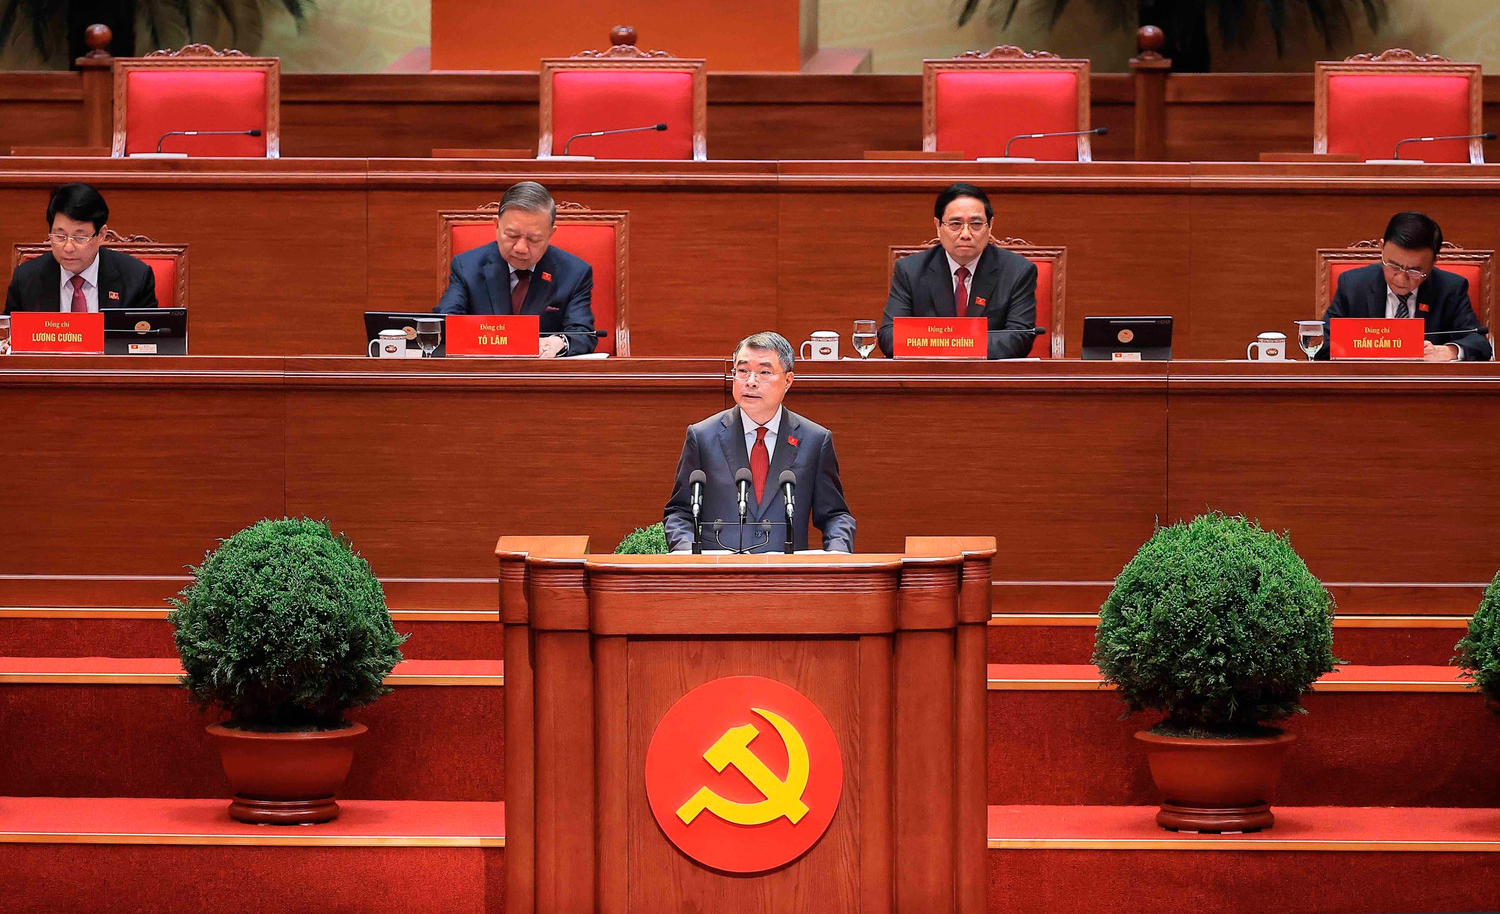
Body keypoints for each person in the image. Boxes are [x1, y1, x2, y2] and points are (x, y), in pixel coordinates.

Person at [664, 331, 855, 554]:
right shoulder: (702, 436)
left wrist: (837, 553)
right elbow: (679, 513)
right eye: (743, 371)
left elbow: (834, 515)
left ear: (788, 381)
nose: (750, 382)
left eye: (764, 372)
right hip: (719, 572)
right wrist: (688, 555)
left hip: (786, 572)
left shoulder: (814, 440)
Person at [433, 181, 596, 357]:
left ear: (551, 234)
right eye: (512, 235)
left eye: (533, 239)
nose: (521, 248)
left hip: (542, 371)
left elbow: (583, 334)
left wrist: (558, 342)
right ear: (496, 225)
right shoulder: (467, 266)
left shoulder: (574, 273)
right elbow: (446, 323)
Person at [878, 183, 1038, 360]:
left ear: (990, 226)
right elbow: (890, 336)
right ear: (938, 226)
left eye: (976, 224)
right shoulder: (910, 270)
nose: (965, 234)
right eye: (955, 224)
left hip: (988, 374)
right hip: (929, 374)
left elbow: (1020, 337)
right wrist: (961, 343)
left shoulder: (1017, 271)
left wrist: (942, 343)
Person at [1317, 212, 1492, 362]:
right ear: (1381, 248)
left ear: (1433, 262)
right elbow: (1320, 343)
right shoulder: (1354, 284)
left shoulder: (1449, 288)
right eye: (1393, 266)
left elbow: (1480, 343)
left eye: (1414, 271)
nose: (1401, 278)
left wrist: (1449, 351)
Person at [4, 183, 157, 314]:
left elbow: (147, 336)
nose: (68, 247)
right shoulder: (26, 279)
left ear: (101, 235)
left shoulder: (136, 278)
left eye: (80, 237)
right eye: (60, 236)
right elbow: (10, 334)